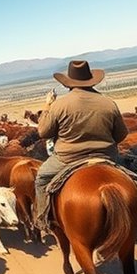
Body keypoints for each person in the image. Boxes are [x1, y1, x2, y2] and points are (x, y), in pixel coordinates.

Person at [34, 60, 128, 232]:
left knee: (42, 178)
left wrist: (47, 105)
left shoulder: (59, 105)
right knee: (134, 179)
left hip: (67, 159)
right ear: (91, 80)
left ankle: (43, 219)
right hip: (106, 156)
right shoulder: (108, 102)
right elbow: (121, 135)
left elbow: (43, 132)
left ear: (68, 83)